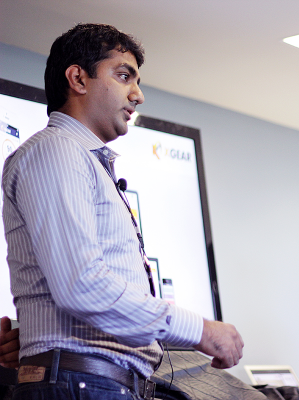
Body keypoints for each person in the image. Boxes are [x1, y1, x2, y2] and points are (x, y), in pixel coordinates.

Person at [2, 23, 243, 399]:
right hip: (84, 384)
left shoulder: (83, 161)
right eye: (124, 75)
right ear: (78, 79)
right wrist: (200, 330)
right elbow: (82, 285)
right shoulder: (57, 150)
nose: (138, 95)